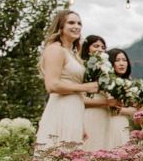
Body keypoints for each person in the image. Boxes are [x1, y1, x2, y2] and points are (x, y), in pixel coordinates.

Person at [35, 10, 100, 149]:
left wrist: (81, 124)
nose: (76, 26)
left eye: (79, 23)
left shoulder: (73, 54)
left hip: (75, 110)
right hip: (61, 108)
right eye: (71, 22)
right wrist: (86, 87)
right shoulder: (55, 50)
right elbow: (52, 85)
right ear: (60, 27)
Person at [81, 34, 115, 152]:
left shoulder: (108, 71)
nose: (100, 49)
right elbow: (79, 99)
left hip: (105, 116)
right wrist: (106, 102)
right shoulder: (82, 68)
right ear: (87, 48)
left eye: (103, 47)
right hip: (89, 114)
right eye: (96, 46)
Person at [105, 48, 137, 148]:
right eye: (117, 60)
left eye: (124, 60)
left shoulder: (130, 84)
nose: (122, 63)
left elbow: (135, 110)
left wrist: (120, 110)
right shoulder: (104, 81)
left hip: (122, 123)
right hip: (105, 121)